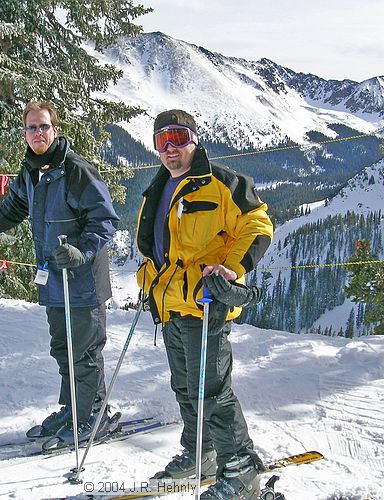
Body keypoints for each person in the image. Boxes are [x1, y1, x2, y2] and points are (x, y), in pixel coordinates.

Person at [0, 101, 120, 446]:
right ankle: (73, 408)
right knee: (63, 348)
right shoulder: (31, 172)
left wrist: (80, 250)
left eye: (44, 126)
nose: (38, 133)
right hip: (54, 278)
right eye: (31, 128)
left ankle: (94, 413)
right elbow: (13, 208)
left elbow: (105, 219)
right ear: (25, 133)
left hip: (83, 281)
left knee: (84, 351)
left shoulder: (76, 170)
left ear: (55, 130)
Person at [136, 109, 273, 499]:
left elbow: (257, 224)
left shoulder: (222, 183)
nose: (171, 148)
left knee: (211, 391)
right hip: (170, 304)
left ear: (194, 140)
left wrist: (233, 268)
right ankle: (201, 453)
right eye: (162, 140)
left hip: (206, 302)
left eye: (178, 138)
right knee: (185, 387)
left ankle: (241, 470)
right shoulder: (158, 188)